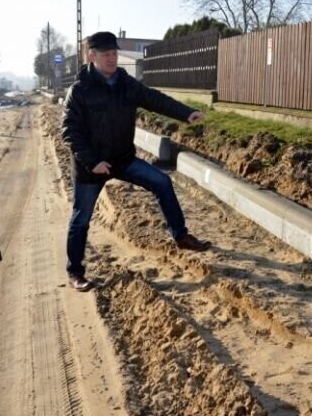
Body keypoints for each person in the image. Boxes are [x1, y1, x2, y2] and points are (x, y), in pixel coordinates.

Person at [62, 31, 210, 291]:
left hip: (122, 160)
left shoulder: (126, 84)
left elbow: (155, 99)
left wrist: (186, 113)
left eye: (115, 53)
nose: (112, 59)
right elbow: (70, 132)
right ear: (91, 56)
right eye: (106, 54)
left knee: (162, 183)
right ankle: (75, 272)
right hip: (91, 167)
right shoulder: (79, 91)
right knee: (81, 218)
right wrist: (92, 161)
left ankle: (181, 235)